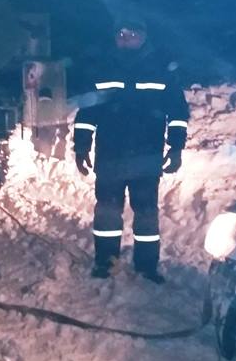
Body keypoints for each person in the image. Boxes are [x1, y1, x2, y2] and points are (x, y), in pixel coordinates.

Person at [73, 19, 189, 282]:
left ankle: (147, 266)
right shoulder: (103, 68)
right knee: (107, 213)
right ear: (115, 37)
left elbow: (178, 113)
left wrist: (176, 148)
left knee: (147, 215)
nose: (127, 39)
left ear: (144, 37)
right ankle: (105, 263)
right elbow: (88, 111)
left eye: (133, 34)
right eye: (122, 34)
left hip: (147, 157)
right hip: (110, 156)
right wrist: (81, 146)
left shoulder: (161, 69)